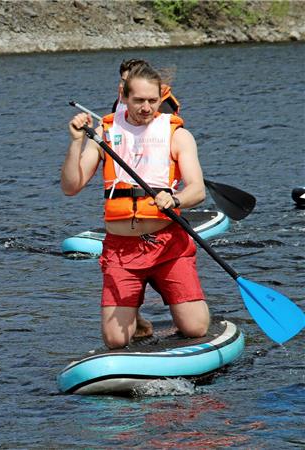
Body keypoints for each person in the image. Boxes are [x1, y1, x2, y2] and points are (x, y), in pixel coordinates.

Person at [61, 63, 210, 349]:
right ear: (124, 97)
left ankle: (184, 303)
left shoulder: (178, 135)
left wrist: (174, 198)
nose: (146, 107)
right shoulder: (104, 134)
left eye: (152, 101)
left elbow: (197, 190)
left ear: (161, 97)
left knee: (195, 328)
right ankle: (138, 318)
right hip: (121, 249)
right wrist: (76, 143)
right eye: (138, 100)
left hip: (168, 246)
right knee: (116, 340)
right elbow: (70, 187)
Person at [112, 58, 180, 116]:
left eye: (127, 82)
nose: (122, 85)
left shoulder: (163, 107)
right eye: (123, 80)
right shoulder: (120, 101)